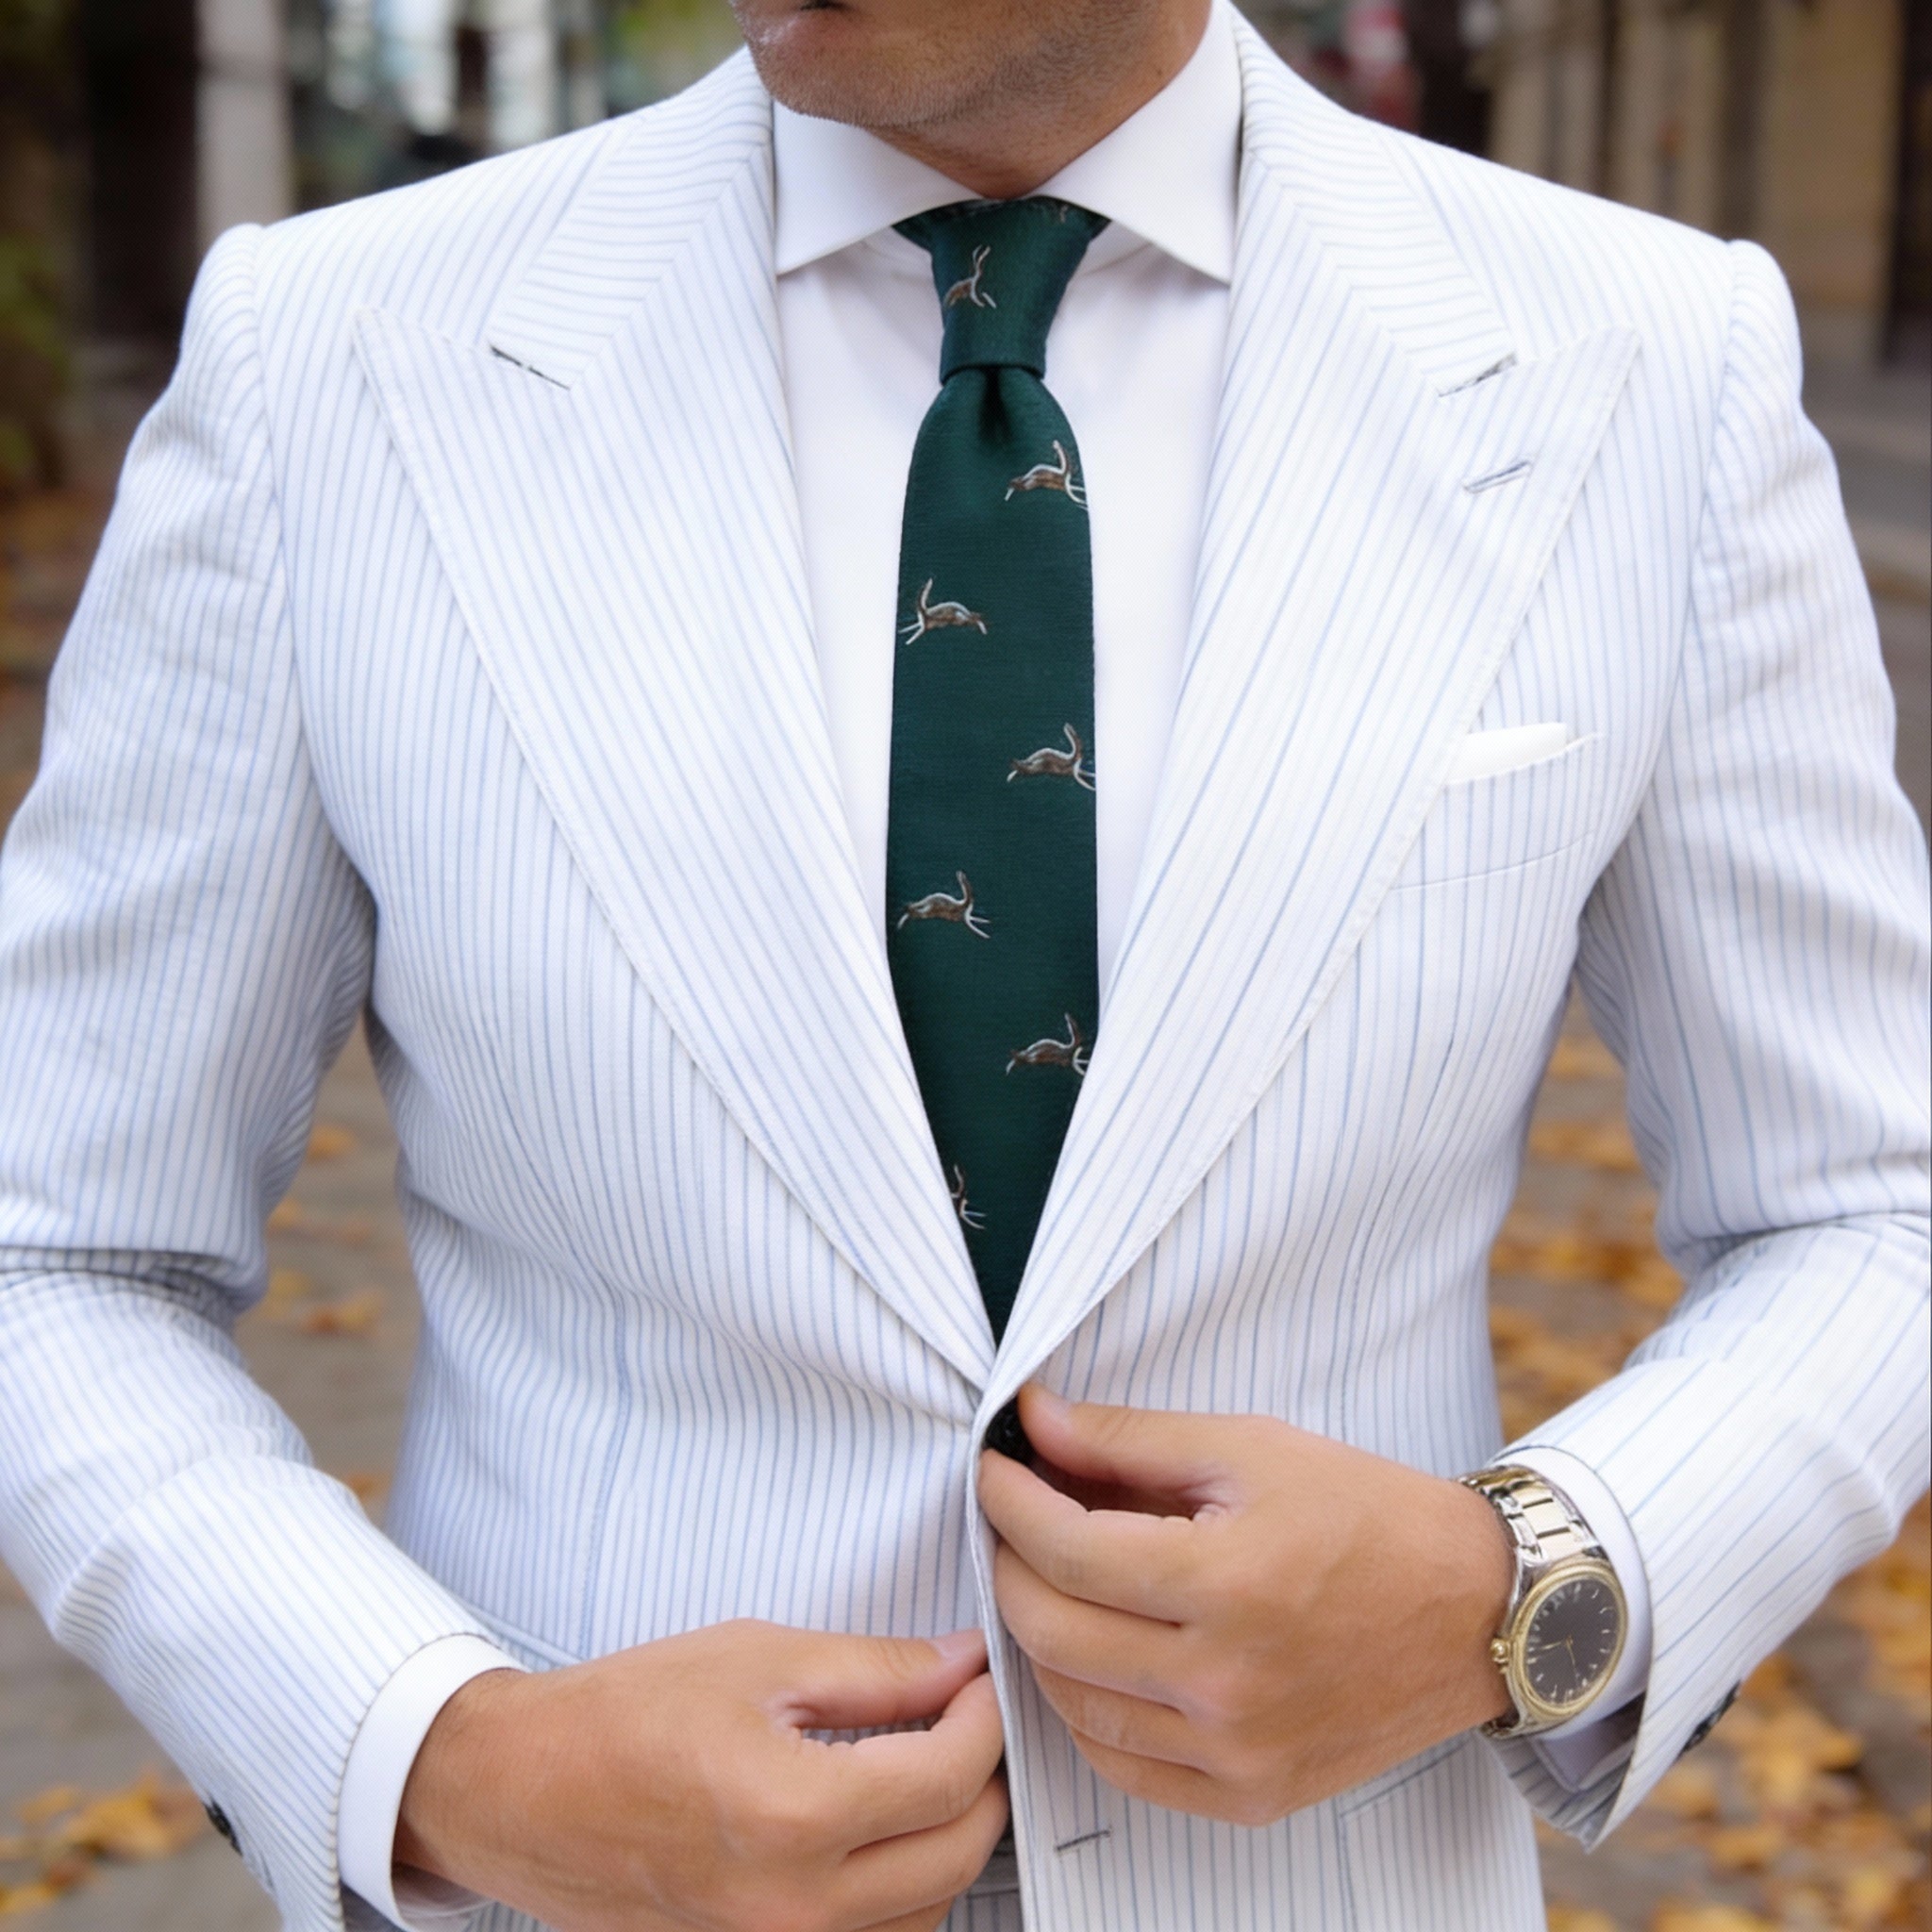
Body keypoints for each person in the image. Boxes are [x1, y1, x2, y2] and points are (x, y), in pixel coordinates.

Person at [0, 0, 1924, 1926]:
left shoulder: (1648, 362)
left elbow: (1868, 1204)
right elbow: (58, 1248)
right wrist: (444, 1760)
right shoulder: (328, 358)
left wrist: (1518, 1588)